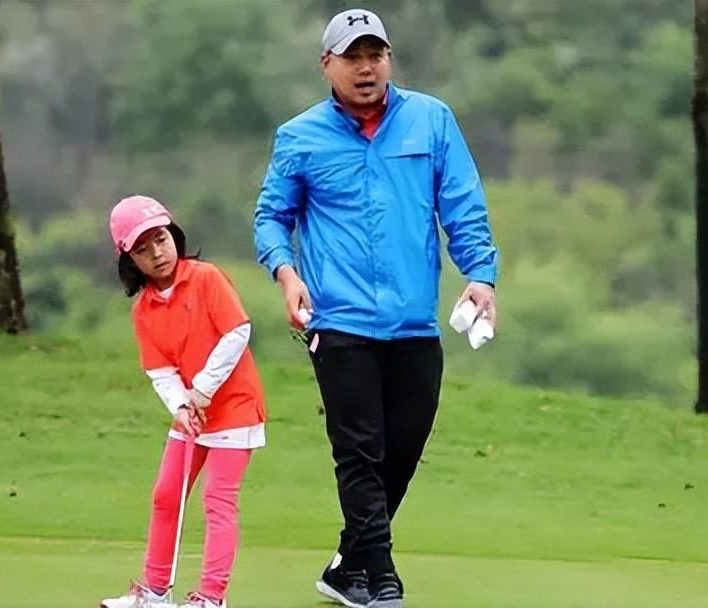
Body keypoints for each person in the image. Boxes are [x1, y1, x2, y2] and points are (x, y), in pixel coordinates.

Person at [253, 8, 498, 608]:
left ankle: (348, 564)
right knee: (359, 451)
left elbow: (462, 205)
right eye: (353, 57)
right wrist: (287, 273)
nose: (366, 68)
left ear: (388, 59)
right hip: (339, 321)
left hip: (413, 320)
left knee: (403, 450)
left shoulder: (431, 120)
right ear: (327, 64)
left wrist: (480, 276)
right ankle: (381, 575)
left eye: (375, 55)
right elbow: (271, 218)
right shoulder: (300, 137)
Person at [100, 195, 266, 608]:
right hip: (192, 413)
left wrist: (202, 390)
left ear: (174, 235)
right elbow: (160, 370)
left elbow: (237, 333)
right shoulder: (144, 310)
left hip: (236, 408)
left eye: (161, 239)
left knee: (217, 501)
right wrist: (180, 406)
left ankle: (211, 597)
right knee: (166, 494)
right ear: (130, 260)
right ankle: (156, 592)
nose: (157, 253)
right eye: (143, 249)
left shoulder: (207, 278)